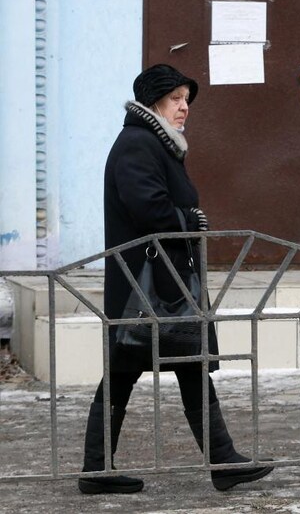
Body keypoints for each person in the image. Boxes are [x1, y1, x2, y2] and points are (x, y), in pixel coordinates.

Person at [77, 64, 274, 494]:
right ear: (153, 103)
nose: (184, 107)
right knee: (131, 371)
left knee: (184, 366)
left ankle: (221, 461)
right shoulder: (138, 145)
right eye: (175, 99)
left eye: (187, 99)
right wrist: (189, 219)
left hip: (161, 285)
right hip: (145, 288)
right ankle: (98, 470)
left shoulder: (157, 144)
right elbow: (148, 208)